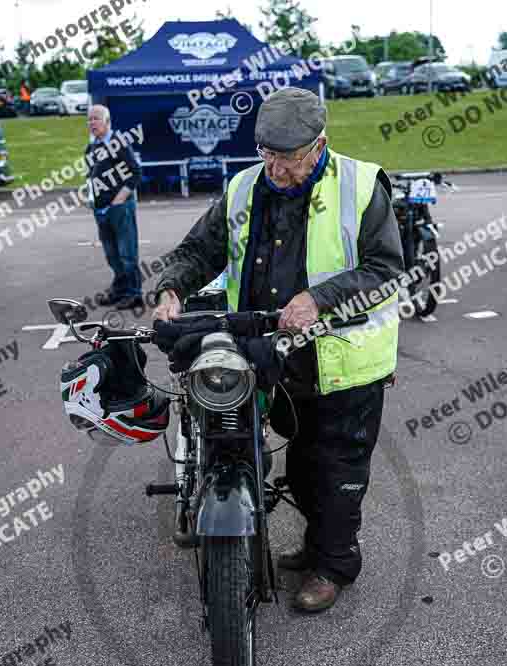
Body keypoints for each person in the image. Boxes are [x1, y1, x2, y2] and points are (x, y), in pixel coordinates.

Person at [152, 87, 404, 613]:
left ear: (319, 145)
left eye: (288, 158)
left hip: (341, 358)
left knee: (338, 470)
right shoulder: (247, 186)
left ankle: (334, 565)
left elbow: (386, 271)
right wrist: (172, 286)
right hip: (272, 355)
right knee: (302, 463)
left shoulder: (360, 186)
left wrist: (319, 298)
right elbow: (202, 248)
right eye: (267, 154)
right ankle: (314, 547)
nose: (276, 168)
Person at [86, 104, 143, 311]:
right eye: (89, 119)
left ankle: (134, 294)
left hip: (119, 208)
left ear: (107, 122)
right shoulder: (92, 147)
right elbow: (91, 175)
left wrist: (120, 199)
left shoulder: (118, 143)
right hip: (100, 209)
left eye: (96, 119)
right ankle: (120, 289)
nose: (91, 123)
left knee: (127, 253)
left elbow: (136, 173)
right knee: (112, 254)